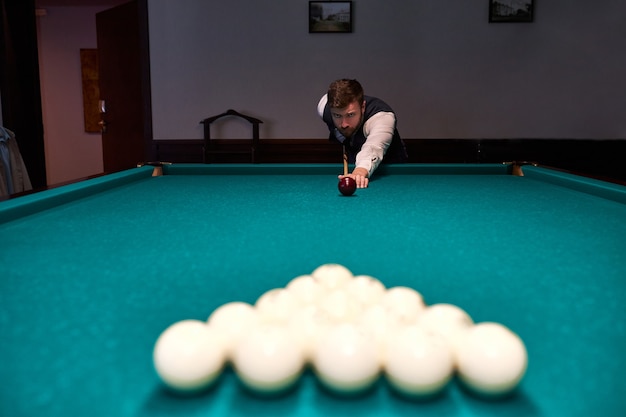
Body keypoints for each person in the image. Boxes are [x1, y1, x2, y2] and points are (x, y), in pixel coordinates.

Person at [317, 79, 407, 188]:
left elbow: (374, 147)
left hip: (392, 171)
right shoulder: (323, 108)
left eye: (350, 115)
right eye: (337, 116)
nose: (344, 124)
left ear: (363, 107)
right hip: (355, 159)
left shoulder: (382, 118)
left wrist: (359, 172)